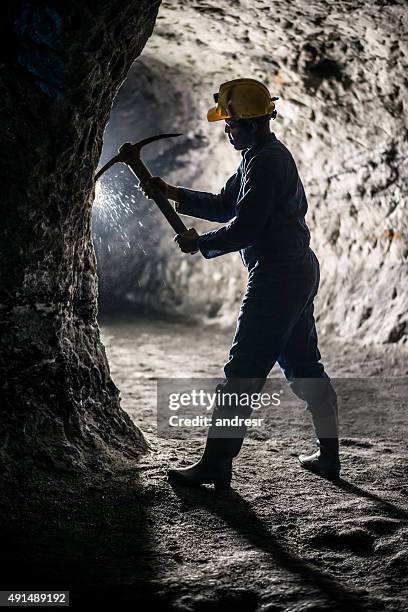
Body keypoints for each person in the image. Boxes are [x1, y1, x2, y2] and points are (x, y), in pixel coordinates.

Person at [142, 78, 340, 488]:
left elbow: (246, 227)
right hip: (294, 270)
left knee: (242, 371)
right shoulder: (257, 155)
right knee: (303, 364)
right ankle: (329, 457)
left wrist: (201, 243)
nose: (226, 130)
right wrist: (172, 192)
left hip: (278, 276)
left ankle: (215, 463)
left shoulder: (266, 162)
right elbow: (225, 204)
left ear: (250, 123)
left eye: (230, 124)